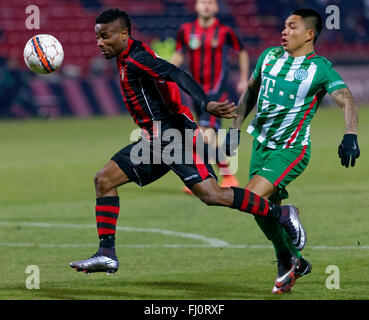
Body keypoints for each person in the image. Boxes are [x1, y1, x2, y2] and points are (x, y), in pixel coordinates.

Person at [69, 9, 306, 287]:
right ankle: (107, 253)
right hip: (153, 141)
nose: (100, 42)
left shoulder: (136, 59)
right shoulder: (126, 56)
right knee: (105, 179)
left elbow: (175, 73)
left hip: (174, 137)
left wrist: (204, 103)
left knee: (211, 195)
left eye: (106, 37)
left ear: (124, 34)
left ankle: (282, 213)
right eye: (98, 37)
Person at [224, 9, 360, 294]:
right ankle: (289, 259)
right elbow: (250, 91)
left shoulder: (319, 68)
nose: (284, 31)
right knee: (256, 209)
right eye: (284, 25)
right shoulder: (269, 57)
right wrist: (235, 127)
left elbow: (346, 99)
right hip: (261, 144)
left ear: (309, 34)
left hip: (291, 149)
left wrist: (350, 134)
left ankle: (287, 216)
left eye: (292, 27)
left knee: (250, 197)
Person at [171, 0, 249, 191]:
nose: (206, 5)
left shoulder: (225, 32)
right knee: (203, 134)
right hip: (196, 93)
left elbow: (242, 52)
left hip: (217, 91)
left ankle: (213, 177)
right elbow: (179, 54)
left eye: (210, 2)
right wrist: (164, 72)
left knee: (203, 134)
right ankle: (220, 175)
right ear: (196, 6)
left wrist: (243, 78)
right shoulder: (185, 30)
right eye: (202, 2)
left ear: (215, 8)